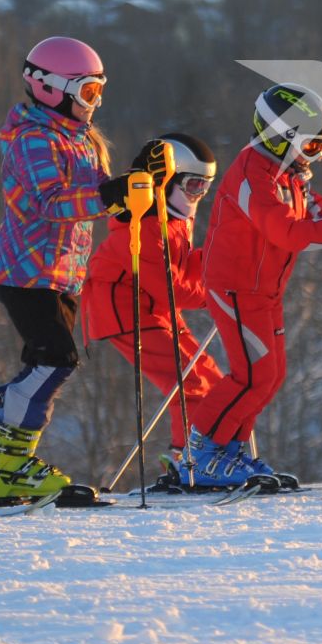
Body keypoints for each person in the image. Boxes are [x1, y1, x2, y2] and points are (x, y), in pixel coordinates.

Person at [0, 35, 141, 504]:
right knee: (55, 360)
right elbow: (47, 204)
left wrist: (137, 189)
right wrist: (109, 195)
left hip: (60, 274)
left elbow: (101, 199)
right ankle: (11, 464)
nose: (93, 104)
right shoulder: (32, 140)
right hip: (25, 273)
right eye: (88, 92)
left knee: (49, 363)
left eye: (99, 92)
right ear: (51, 88)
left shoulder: (84, 141)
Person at [185, 83, 322, 487]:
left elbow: (317, 214)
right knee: (251, 375)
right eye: (312, 146)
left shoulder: (291, 176)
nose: (316, 155)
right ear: (282, 137)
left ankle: (230, 449)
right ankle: (200, 456)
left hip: (264, 291)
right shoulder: (250, 173)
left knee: (270, 375)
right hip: (235, 287)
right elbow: (286, 231)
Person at [80, 132, 223, 484]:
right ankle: (185, 463)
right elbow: (172, 287)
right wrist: (217, 292)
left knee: (214, 380)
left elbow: (184, 267)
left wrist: (222, 263)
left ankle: (213, 457)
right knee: (188, 382)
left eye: (204, 187)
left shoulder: (175, 220)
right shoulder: (145, 225)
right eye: (192, 186)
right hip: (123, 308)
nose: (197, 196)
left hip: (153, 307)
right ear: (169, 182)